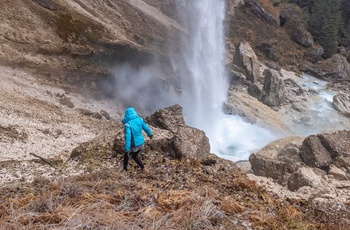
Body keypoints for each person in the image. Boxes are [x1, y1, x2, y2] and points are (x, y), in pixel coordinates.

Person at [122, 107, 153, 172]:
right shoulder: (139, 120)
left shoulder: (128, 125)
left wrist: (127, 148)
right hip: (141, 143)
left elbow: (128, 137)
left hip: (134, 145)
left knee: (127, 155)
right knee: (134, 156)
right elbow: (146, 128)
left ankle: (125, 169)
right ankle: (144, 169)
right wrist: (150, 134)